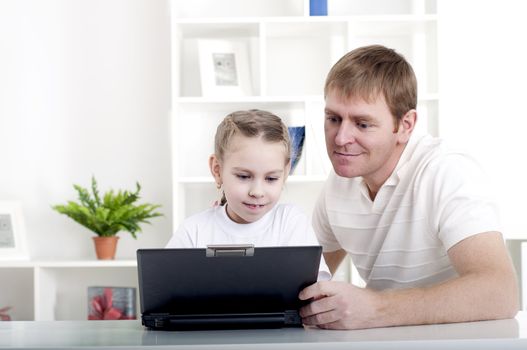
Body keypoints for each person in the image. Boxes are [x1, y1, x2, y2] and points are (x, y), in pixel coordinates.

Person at [298, 45, 519, 329]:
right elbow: (302, 281)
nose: (341, 138)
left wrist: (375, 308)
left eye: (363, 124)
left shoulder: (446, 171)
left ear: (405, 125)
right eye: (333, 119)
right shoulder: (338, 185)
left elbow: (500, 293)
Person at [166, 109, 330, 280]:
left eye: (271, 178)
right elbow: (166, 287)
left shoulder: (291, 222)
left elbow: (316, 289)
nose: (257, 192)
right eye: (243, 176)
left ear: (286, 172)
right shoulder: (195, 230)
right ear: (217, 170)